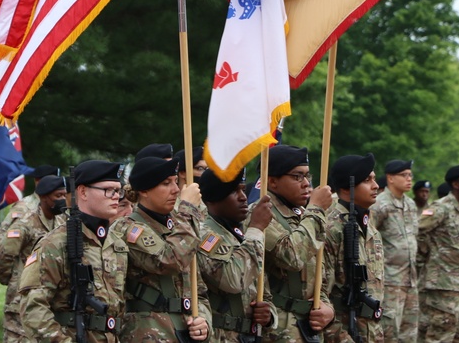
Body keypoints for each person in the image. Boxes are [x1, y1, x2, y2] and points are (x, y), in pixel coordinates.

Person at [19, 160, 128, 342]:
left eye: (118, 190)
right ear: (83, 192)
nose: (116, 196)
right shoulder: (55, 244)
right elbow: (33, 309)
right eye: (108, 190)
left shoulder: (117, 244)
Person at [120, 156, 212, 342]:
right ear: (144, 190)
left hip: (185, 331)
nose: (176, 190)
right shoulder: (129, 228)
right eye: (166, 183)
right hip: (150, 332)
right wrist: (187, 210)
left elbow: (198, 290)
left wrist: (203, 321)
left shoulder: (178, 227)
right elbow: (169, 260)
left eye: (176, 182)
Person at [260, 144, 334, 342]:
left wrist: (327, 307)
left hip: (309, 326)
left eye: (307, 176)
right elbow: (292, 257)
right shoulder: (261, 214)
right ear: (273, 182)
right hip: (279, 328)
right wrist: (316, 208)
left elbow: (319, 274)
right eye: (297, 177)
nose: (306, 184)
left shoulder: (303, 215)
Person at [196, 168, 276, 342]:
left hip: (249, 336)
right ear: (214, 199)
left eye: (243, 189)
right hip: (221, 335)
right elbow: (232, 279)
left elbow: (263, 290)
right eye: (234, 191)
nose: (243, 197)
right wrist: (256, 228)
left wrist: (268, 314)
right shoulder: (205, 235)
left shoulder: (241, 235)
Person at [0, 174, 67, 342]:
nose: (62, 200)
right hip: (21, 299)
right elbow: (1, 256)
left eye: (64, 195)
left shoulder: (62, 222)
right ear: (43, 197)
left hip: (50, 298)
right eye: (58, 196)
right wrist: (12, 279)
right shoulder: (25, 223)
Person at [320, 153, 384, 343]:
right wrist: (341, 338)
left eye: (374, 178)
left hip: (371, 332)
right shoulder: (331, 228)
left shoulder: (369, 227)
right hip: (343, 334)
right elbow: (319, 297)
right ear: (347, 188)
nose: (376, 186)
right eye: (367, 180)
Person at [416, 164, 459, 343]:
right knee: (441, 335)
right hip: (443, 285)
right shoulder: (441, 208)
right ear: (456, 184)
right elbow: (417, 230)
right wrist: (426, 254)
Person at [372, 159, 419, 342]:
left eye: (410, 175)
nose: (409, 179)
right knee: (389, 331)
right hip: (390, 280)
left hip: (410, 280)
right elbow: (368, 239)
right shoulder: (379, 204)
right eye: (404, 175)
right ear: (390, 178)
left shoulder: (411, 204)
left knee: (409, 333)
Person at [0, 164, 61, 244]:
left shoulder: (58, 206)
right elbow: (3, 235)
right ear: (37, 182)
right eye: (53, 182)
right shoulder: (24, 206)